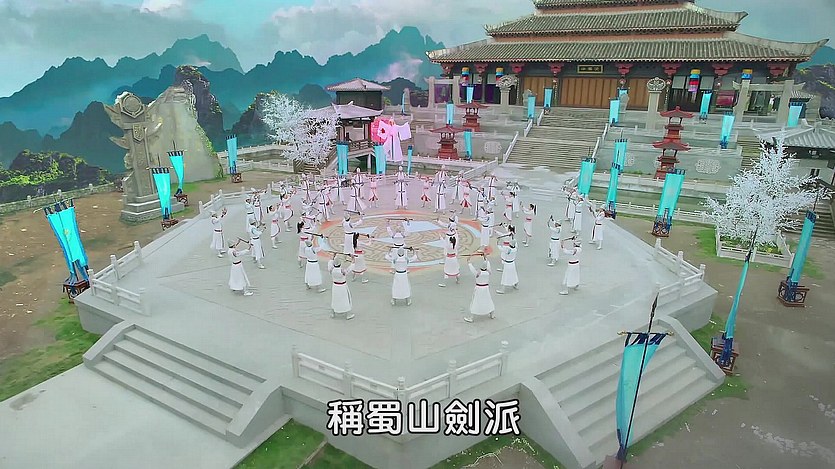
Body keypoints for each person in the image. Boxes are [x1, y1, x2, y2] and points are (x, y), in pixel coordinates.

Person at [464, 254, 494, 322]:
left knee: (475, 301)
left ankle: (471, 317)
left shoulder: (478, 273)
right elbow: (488, 264)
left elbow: (472, 269)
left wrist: (469, 262)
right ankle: (492, 313)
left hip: (479, 288)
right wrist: (485, 258)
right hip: (486, 288)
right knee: (488, 299)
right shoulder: (488, 272)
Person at [328, 255, 355, 319]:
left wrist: (333, 257)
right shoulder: (342, 271)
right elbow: (350, 268)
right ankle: (348, 314)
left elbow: (329, 262)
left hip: (335, 286)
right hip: (342, 286)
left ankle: (333, 313)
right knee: (345, 299)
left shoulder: (331, 269)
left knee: (335, 299)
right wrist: (353, 259)